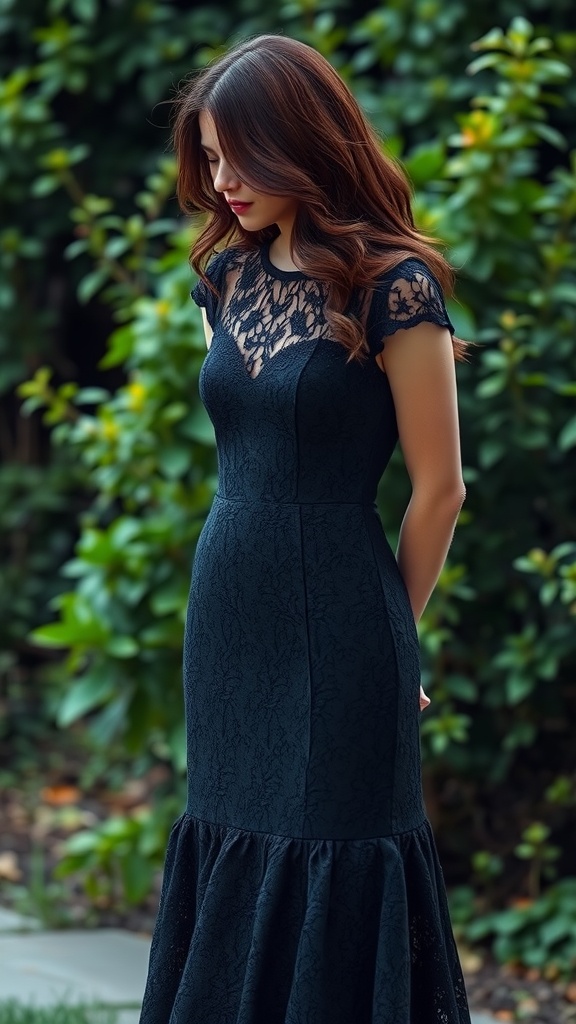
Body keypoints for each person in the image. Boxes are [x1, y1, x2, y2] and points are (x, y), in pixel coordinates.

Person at [139, 32, 471, 1024]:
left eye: (240, 154)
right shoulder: (224, 279)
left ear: (304, 142)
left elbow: (440, 489)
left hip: (342, 622)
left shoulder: (397, 287)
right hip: (231, 613)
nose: (222, 178)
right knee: (231, 834)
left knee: (337, 847)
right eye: (208, 155)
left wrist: (391, 636)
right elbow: (240, 440)